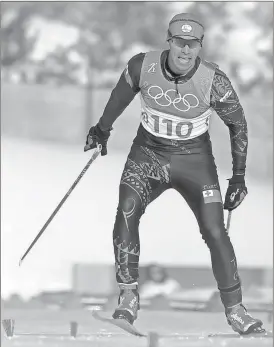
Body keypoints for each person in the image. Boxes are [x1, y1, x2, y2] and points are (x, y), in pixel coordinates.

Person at [84, 13, 264, 335]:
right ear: (169, 42)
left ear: (199, 47)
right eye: (179, 43)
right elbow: (118, 99)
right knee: (126, 211)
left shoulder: (214, 80)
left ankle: (236, 311)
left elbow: (238, 126)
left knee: (214, 231)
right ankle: (128, 298)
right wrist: (102, 130)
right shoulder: (143, 66)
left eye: (192, 45)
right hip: (148, 156)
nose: (185, 51)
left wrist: (239, 177)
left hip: (194, 161)